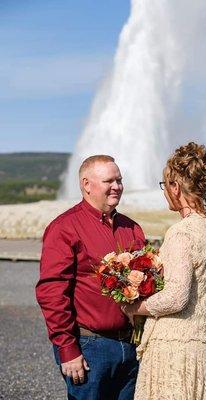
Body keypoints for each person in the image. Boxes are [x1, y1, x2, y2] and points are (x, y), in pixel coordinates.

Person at [122, 142, 206, 400]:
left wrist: (133, 307)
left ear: (175, 186)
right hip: (205, 352)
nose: (165, 192)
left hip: (176, 350)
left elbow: (176, 296)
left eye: (165, 185)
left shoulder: (182, 232)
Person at [36, 155, 145, 400]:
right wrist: (67, 349)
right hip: (89, 348)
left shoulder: (132, 228)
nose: (117, 186)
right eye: (109, 181)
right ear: (87, 185)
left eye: (119, 180)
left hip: (131, 346)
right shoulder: (65, 228)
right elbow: (52, 292)